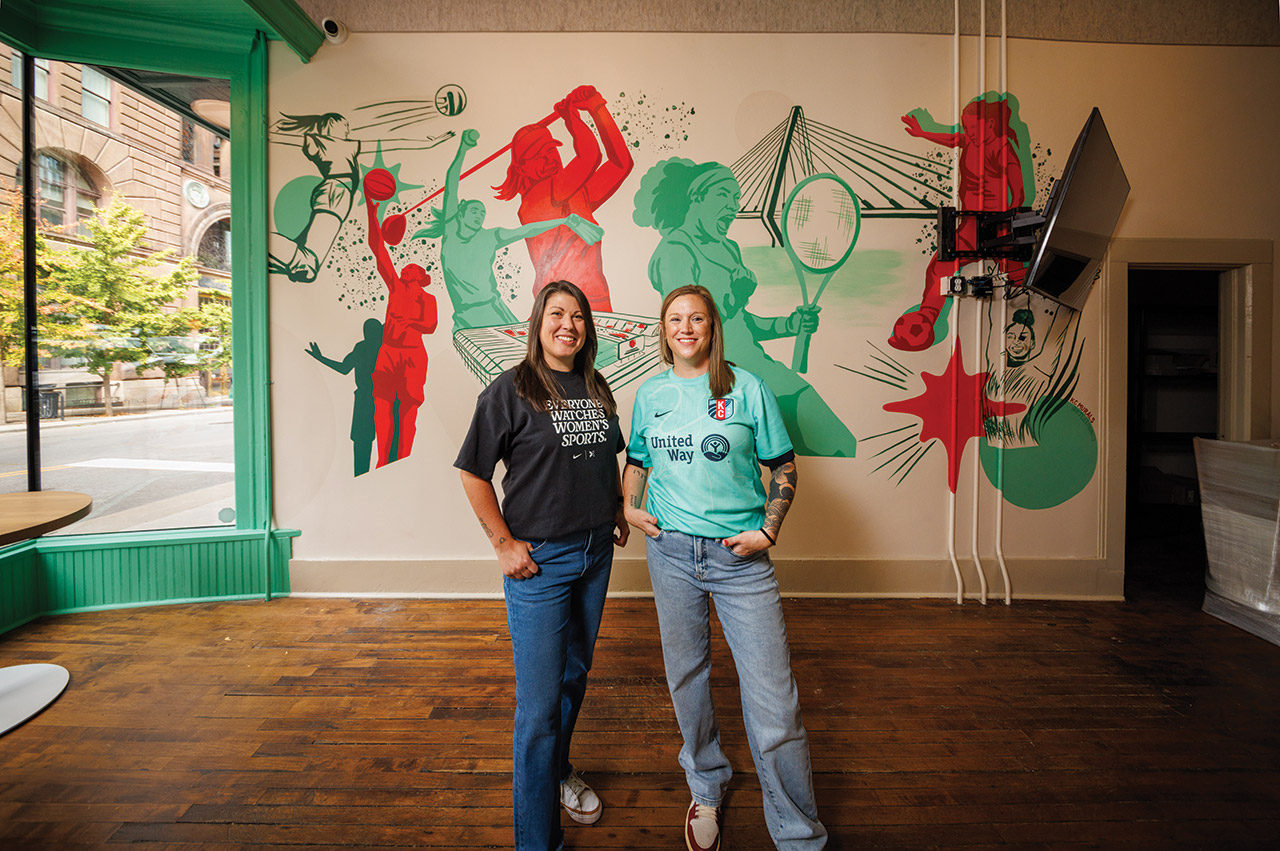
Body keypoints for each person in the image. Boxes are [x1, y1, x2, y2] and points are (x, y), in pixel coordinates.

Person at [623, 285, 827, 851]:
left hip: (740, 562)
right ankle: (706, 785)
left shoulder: (748, 388)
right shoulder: (651, 393)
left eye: (696, 318)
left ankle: (799, 834)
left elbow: (783, 465)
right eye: (674, 319)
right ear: (663, 331)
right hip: (670, 554)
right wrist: (628, 506)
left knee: (774, 703)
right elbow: (637, 459)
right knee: (687, 679)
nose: (685, 327)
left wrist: (770, 528)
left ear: (713, 327)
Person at [455, 280, 630, 851]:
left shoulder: (596, 386)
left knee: (573, 679)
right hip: (540, 562)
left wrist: (615, 509)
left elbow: (607, 459)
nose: (568, 325)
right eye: (557, 314)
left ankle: (558, 772)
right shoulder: (510, 390)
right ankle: (537, 842)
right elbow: (473, 473)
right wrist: (503, 543)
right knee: (536, 711)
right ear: (538, 323)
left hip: (595, 554)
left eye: (578, 317)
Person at [633, 158, 856, 458]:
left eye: (737, 198)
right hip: (717, 384)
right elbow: (690, 333)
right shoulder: (676, 250)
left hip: (756, 373)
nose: (733, 206)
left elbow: (740, 324)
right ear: (697, 196)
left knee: (838, 443)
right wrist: (735, 297)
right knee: (831, 443)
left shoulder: (728, 248)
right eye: (723, 195)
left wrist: (787, 326)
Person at [415, 129, 604, 330]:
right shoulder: (451, 233)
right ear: (460, 214)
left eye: (482, 213)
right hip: (466, 316)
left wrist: (562, 221)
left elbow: (527, 230)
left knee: (528, 352)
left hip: (495, 309)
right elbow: (451, 182)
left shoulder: (489, 236)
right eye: (474, 211)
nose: (479, 215)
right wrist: (463, 148)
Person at [890, 92, 1032, 351]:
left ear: (989, 124)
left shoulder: (1002, 148)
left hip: (997, 225)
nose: (969, 132)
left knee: (1017, 278)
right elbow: (952, 139)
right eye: (967, 127)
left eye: (972, 127)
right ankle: (926, 318)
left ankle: (1027, 319)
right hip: (969, 224)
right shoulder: (971, 141)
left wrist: (1009, 229)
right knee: (937, 269)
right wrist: (923, 134)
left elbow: (1019, 192)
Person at [493, 85, 634, 311]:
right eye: (538, 156)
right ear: (522, 169)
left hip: (595, 303)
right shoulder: (536, 200)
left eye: (551, 151)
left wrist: (597, 108)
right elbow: (589, 156)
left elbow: (620, 164)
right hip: (559, 308)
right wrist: (571, 117)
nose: (549, 159)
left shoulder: (573, 195)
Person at [365, 173, 437, 468]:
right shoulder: (395, 286)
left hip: (412, 356)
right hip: (388, 352)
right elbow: (377, 247)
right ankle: (383, 460)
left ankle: (404, 458)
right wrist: (371, 207)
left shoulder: (427, 299)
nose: (406, 267)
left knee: (408, 412)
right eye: (405, 266)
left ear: (421, 277)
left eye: (412, 267)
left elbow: (430, 326)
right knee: (381, 407)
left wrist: (410, 324)